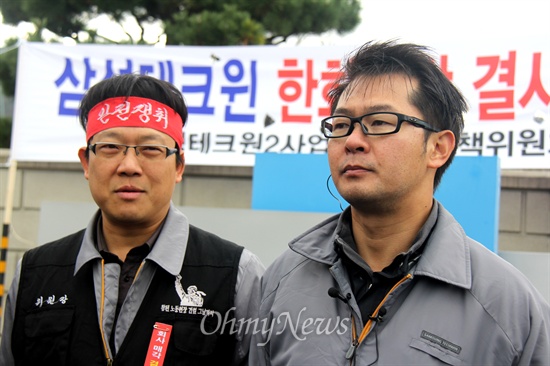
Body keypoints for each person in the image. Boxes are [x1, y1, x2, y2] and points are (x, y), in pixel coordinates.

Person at [249, 40, 550, 365]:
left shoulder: (507, 307)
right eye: (340, 125)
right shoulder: (282, 279)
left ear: (438, 147)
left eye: (379, 122)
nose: (352, 141)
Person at [0, 73, 264, 365]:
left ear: (178, 166)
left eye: (151, 149)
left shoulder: (235, 275)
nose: (128, 166)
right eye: (110, 147)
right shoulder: (35, 272)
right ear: (86, 162)